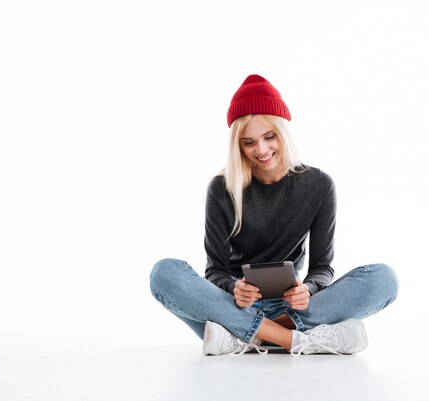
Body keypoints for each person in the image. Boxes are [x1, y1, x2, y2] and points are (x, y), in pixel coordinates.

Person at [149, 74, 398, 355]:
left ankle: (243, 338)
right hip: (234, 306)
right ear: (238, 146)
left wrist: (310, 290)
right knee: (165, 273)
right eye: (249, 142)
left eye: (269, 137)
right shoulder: (222, 188)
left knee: (382, 279)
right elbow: (215, 271)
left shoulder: (319, 185)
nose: (262, 150)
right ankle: (294, 340)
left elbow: (322, 268)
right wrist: (233, 288)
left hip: (290, 307)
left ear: (283, 133)